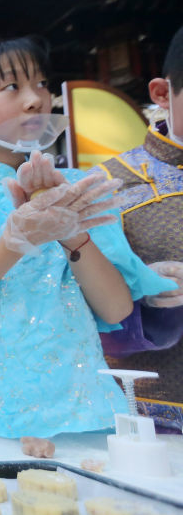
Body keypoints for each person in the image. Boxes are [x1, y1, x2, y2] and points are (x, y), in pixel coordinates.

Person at [0, 37, 176, 439]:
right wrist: (13, 244)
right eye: (12, 87)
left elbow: (116, 309)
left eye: (42, 84)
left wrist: (73, 235)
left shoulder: (83, 187)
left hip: (87, 413)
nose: (35, 100)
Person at [91, 25, 183, 432]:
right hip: (153, 417)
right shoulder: (107, 185)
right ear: (163, 93)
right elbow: (75, 307)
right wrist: (141, 292)